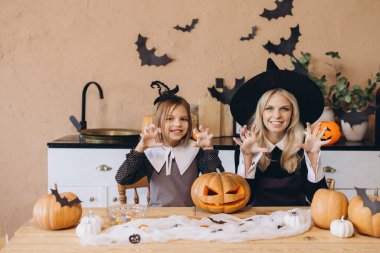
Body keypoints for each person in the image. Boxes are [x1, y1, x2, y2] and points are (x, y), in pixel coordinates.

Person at [230, 58, 329, 206]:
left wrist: (313, 157)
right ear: (261, 113)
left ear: (293, 114)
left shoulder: (303, 147)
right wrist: (247, 157)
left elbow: (318, 200)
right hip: (259, 220)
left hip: (297, 219)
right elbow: (244, 200)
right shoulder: (248, 146)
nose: (277, 115)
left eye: (284, 108)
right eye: (269, 108)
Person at [116, 81, 223, 207]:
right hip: (157, 217)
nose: (178, 124)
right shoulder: (149, 152)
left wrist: (208, 149)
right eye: (170, 119)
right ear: (159, 123)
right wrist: (140, 147)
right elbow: (123, 178)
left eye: (183, 119)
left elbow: (218, 182)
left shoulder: (195, 149)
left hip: (190, 217)